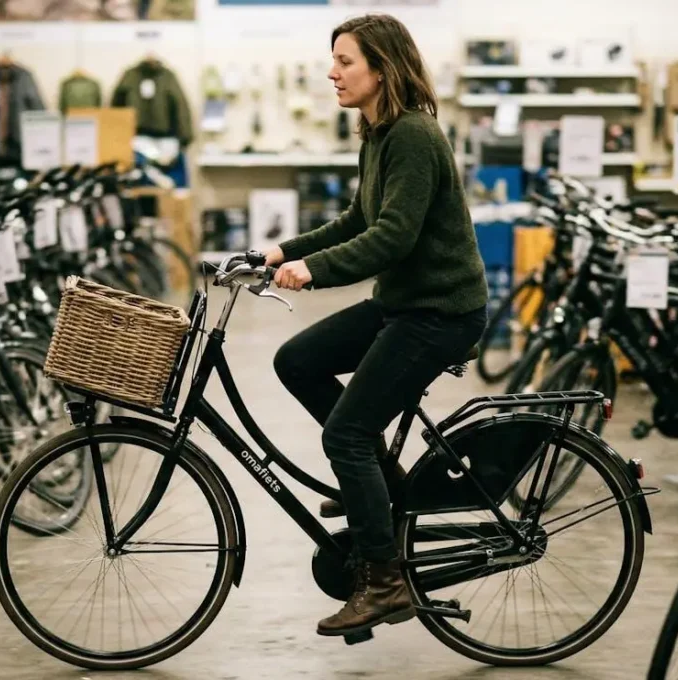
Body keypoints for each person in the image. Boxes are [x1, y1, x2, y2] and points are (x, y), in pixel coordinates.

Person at [263, 14, 489, 639]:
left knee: (349, 434)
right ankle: (383, 491)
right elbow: (358, 219)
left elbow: (392, 237)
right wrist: (280, 252)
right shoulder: (379, 131)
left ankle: (385, 583)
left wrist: (314, 272)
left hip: (441, 311)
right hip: (405, 303)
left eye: (345, 61)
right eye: (332, 60)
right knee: (296, 361)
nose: (331, 73)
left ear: (382, 68)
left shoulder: (414, 134)